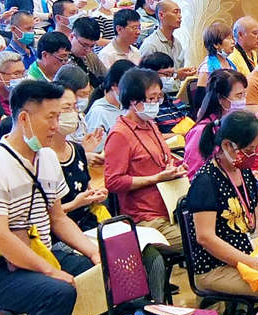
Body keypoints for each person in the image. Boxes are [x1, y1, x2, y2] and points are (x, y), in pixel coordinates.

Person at [0, 79, 102, 315]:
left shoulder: (47, 158)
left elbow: (58, 219)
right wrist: (49, 271)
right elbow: (0, 237)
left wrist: (93, 252)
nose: (56, 125)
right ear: (24, 119)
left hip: (40, 251)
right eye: (50, 117)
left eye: (58, 117)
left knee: (105, 273)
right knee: (57, 292)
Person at [105, 68, 187, 246]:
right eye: (151, 99)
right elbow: (113, 182)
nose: (156, 103)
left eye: (158, 98)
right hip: (146, 217)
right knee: (198, 242)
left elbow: (162, 160)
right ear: (133, 100)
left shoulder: (150, 124)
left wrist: (177, 167)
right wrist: (155, 178)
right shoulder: (120, 134)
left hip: (171, 207)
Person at [188, 110, 258, 296]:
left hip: (250, 255)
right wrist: (249, 261)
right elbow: (205, 237)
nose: (253, 155)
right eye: (249, 150)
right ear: (227, 145)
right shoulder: (206, 181)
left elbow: (256, 218)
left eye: (256, 149)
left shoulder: (244, 172)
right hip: (217, 267)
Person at [50, 81, 106, 232]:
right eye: (66, 108)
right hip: (60, 232)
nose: (73, 113)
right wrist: (75, 204)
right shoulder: (42, 158)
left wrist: (95, 195)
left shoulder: (77, 150)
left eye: (74, 107)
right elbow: (43, 215)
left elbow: (87, 189)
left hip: (89, 223)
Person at [183, 68, 247, 179]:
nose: (243, 100)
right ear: (221, 99)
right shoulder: (201, 132)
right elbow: (193, 174)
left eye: (244, 94)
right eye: (239, 96)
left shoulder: (237, 123)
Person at [85, 59, 134, 141]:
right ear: (114, 86)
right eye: (129, 89)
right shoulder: (98, 113)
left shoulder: (126, 107)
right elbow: (96, 147)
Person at [67, 18, 108, 90]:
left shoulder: (91, 56)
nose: (88, 50)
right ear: (72, 37)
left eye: (92, 46)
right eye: (84, 45)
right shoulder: (62, 60)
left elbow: (106, 77)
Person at [196, 21, 237, 88]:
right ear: (216, 44)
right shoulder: (206, 67)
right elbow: (201, 94)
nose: (233, 42)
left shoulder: (231, 64)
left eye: (232, 38)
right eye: (228, 38)